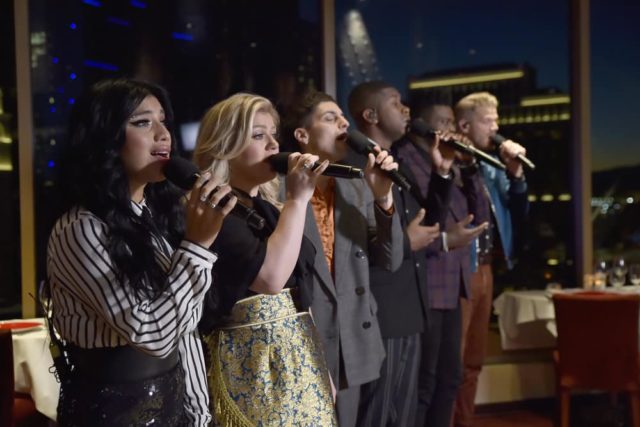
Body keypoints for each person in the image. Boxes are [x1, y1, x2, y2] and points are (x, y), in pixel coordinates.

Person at [46, 78, 233, 426]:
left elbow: (183, 335)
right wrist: (197, 247)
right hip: (114, 413)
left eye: (164, 121)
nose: (163, 134)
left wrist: (199, 414)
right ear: (105, 138)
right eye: (143, 122)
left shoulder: (152, 216)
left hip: (174, 408)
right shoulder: (82, 228)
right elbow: (153, 334)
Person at [193, 93, 337, 426]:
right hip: (253, 363)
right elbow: (271, 278)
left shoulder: (268, 209)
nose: (274, 144)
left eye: (273, 134)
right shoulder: (213, 210)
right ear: (225, 146)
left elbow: (298, 289)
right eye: (259, 135)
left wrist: (319, 364)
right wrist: (299, 199)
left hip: (298, 355)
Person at [281, 89, 404, 427]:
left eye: (343, 117)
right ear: (302, 135)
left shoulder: (356, 186)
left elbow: (391, 260)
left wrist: (384, 199)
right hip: (302, 343)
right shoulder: (280, 190)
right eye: (330, 117)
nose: (343, 123)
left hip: (352, 340)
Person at [346, 81, 444, 427]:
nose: (406, 110)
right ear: (370, 115)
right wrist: (406, 238)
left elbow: (428, 220)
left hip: (409, 309)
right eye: (395, 103)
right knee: (378, 414)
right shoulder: (353, 166)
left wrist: (442, 172)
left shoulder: (394, 161)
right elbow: (354, 248)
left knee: (403, 416)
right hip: (382, 314)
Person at [397, 94, 490, 427]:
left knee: (450, 378)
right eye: (446, 123)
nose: (453, 130)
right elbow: (423, 224)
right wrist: (447, 241)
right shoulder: (406, 160)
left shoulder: (451, 160)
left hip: (454, 283)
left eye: (454, 123)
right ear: (426, 125)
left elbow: (478, 216)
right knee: (425, 381)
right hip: (428, 281)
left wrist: (470, 165)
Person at [452, 92, 529, 427]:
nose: (496, 127)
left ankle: (465, 420)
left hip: (486, 266)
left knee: (474, 358)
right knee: (453, 358)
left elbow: (519, 211)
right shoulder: (452, 162)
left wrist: (516, 175)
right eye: (488, 120)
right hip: (460, 268)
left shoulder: (491, 165)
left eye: (497, 120)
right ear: (464, 125)